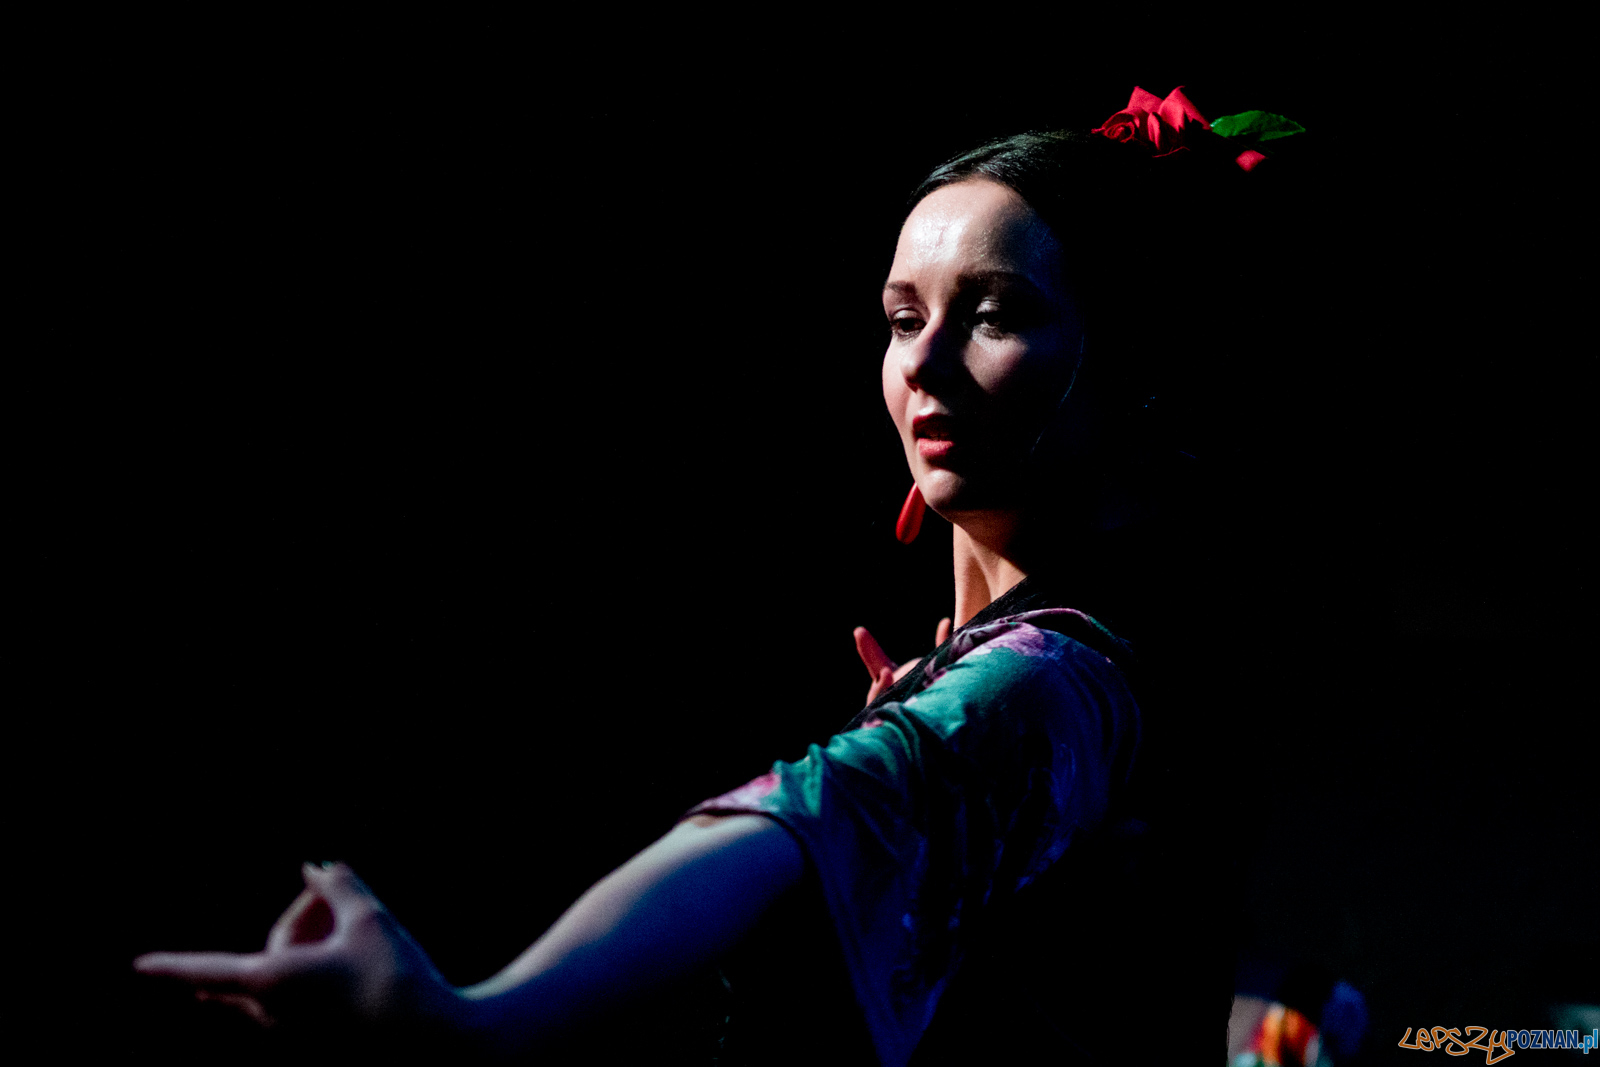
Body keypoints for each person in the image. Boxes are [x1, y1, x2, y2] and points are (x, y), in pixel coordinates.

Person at [136, 98, 1266, 1064]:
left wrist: (473, 1018)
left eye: (995, 314)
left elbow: (781, 826)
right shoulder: (1065, 663)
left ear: (1133, 364)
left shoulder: (1045, 685)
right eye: (900, 318)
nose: (921, 361)